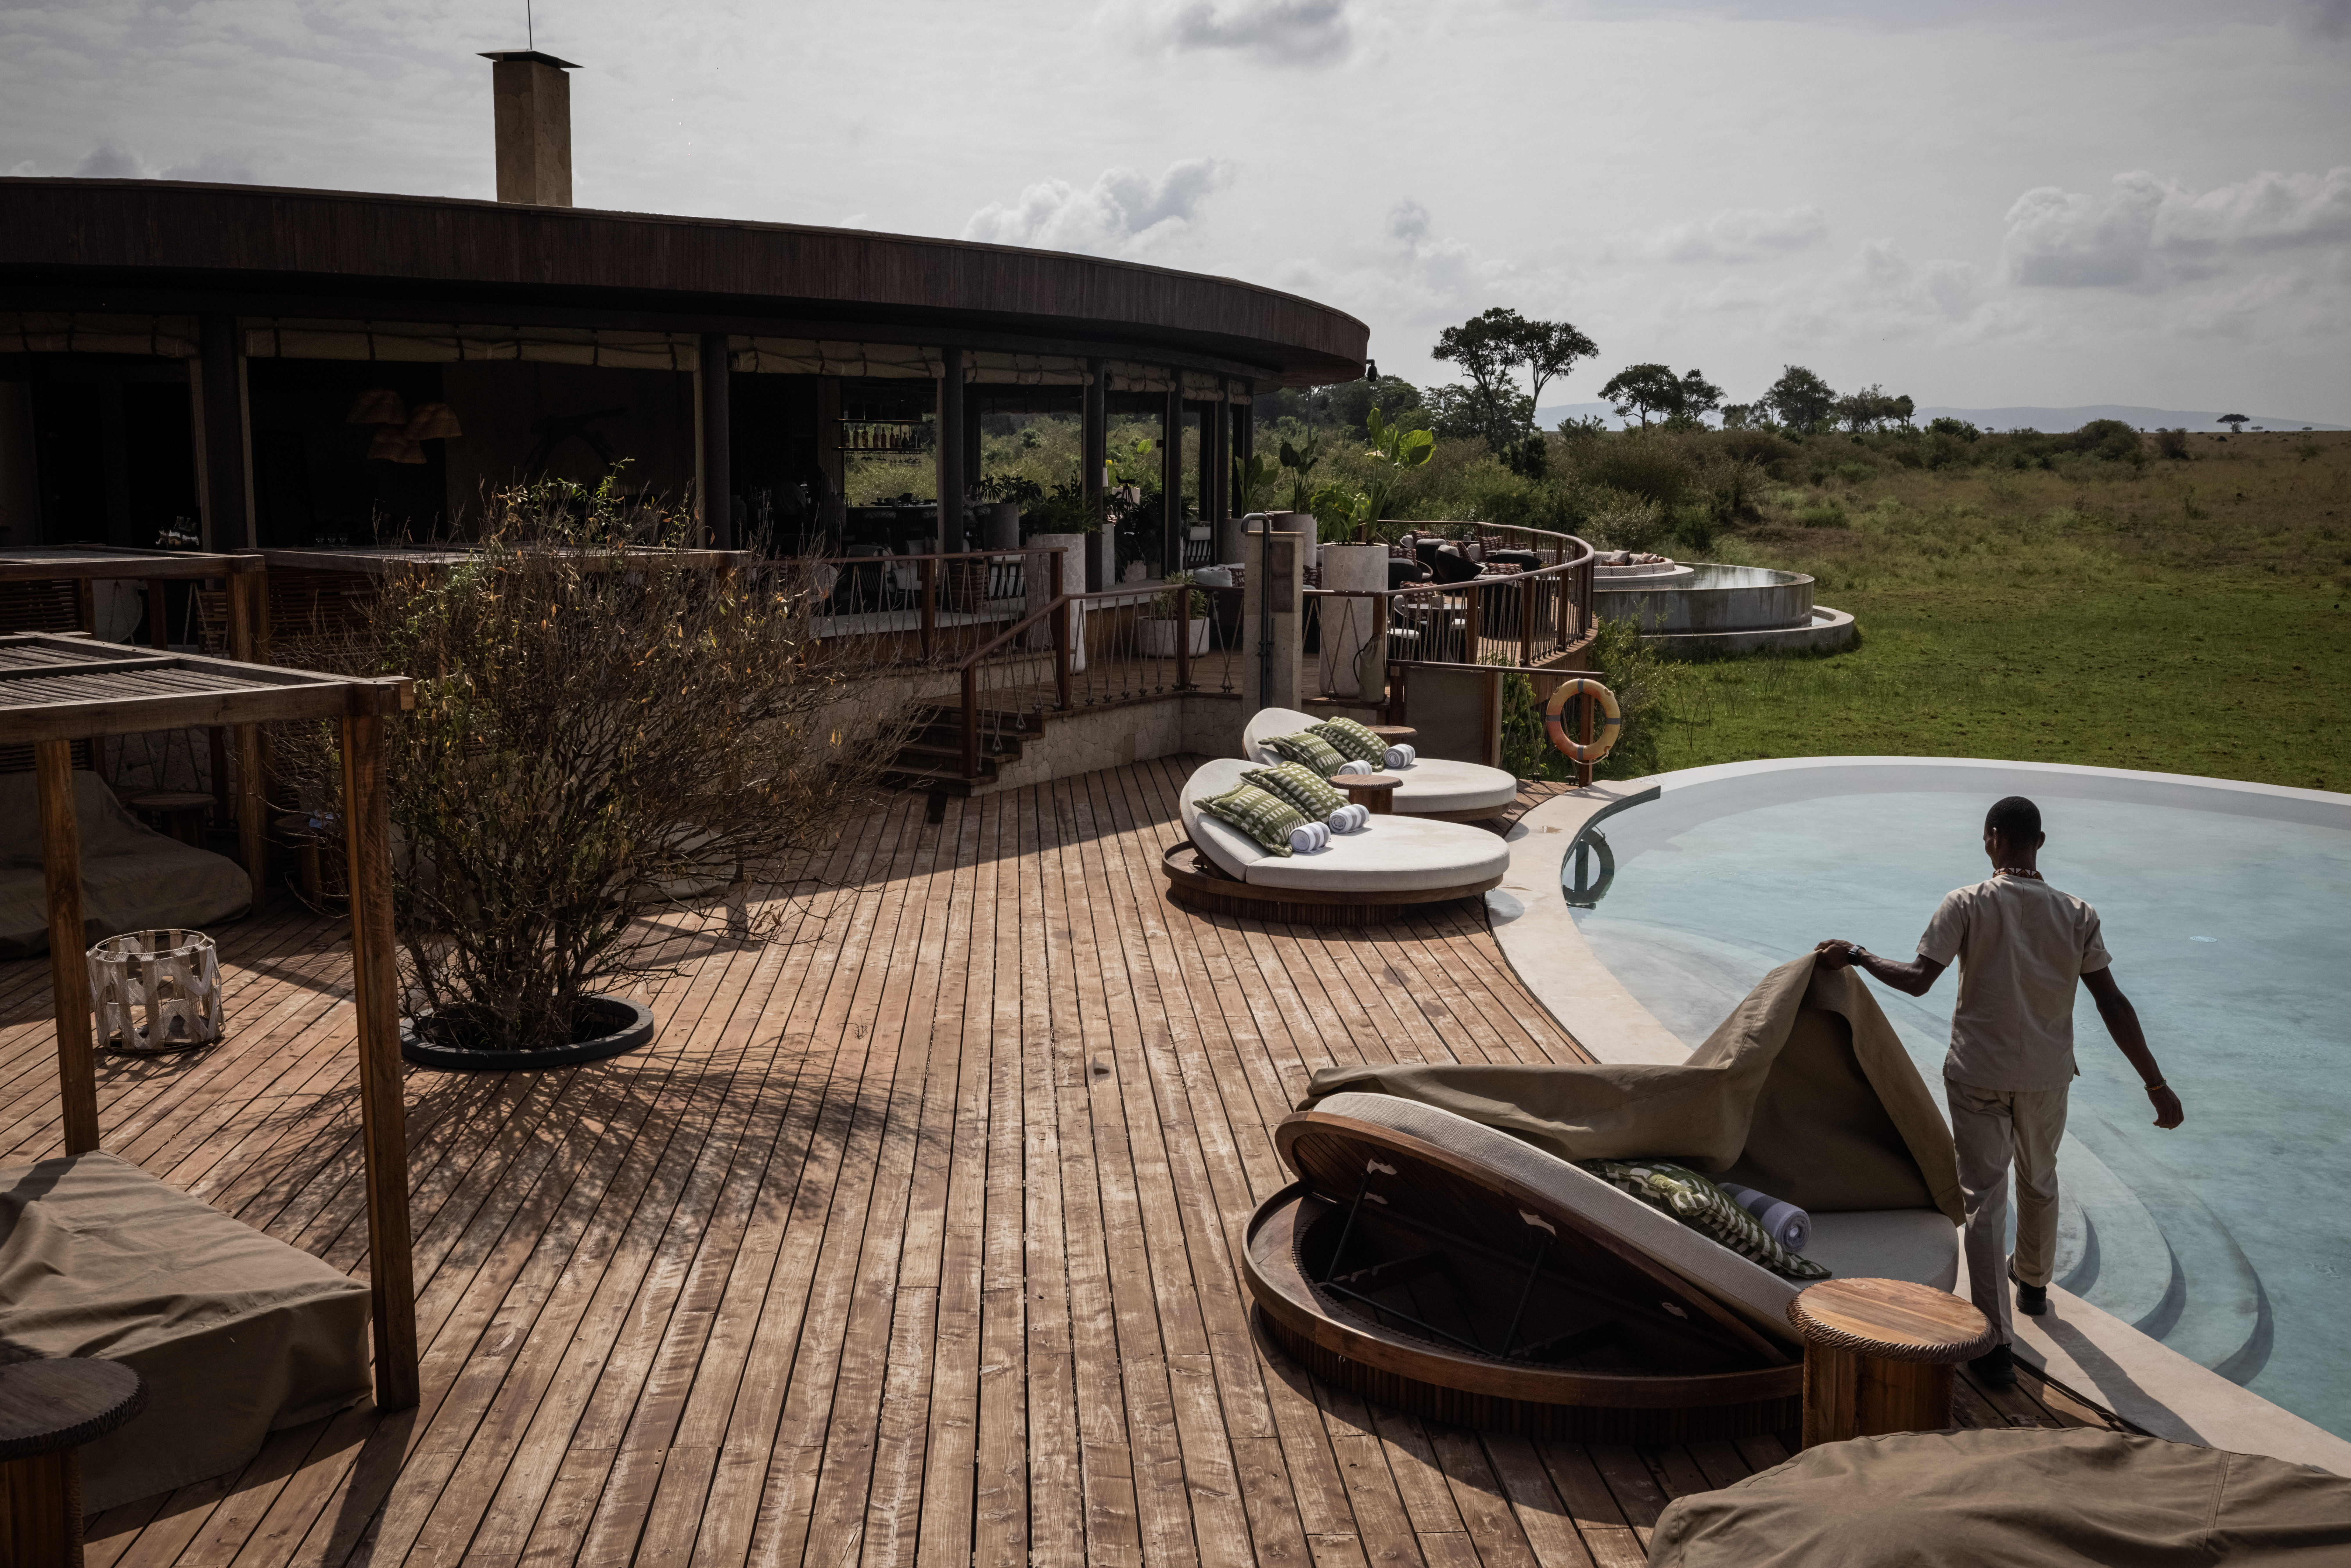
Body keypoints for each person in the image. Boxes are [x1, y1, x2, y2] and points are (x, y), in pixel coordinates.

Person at [1815, 795, 2183, 1386]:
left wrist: (1854, 954)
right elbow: (2111, 1001)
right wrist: (2155, 1082)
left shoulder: (1965, 903)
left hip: (1978, 1074)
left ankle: (1994, 1344)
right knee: (2040, 1177)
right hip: (2046, 1077)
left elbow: (1916, 981)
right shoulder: (2076, 913)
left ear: (1992, 839)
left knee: (1984, 1201)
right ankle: (2034, 1283)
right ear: (2040, 841)